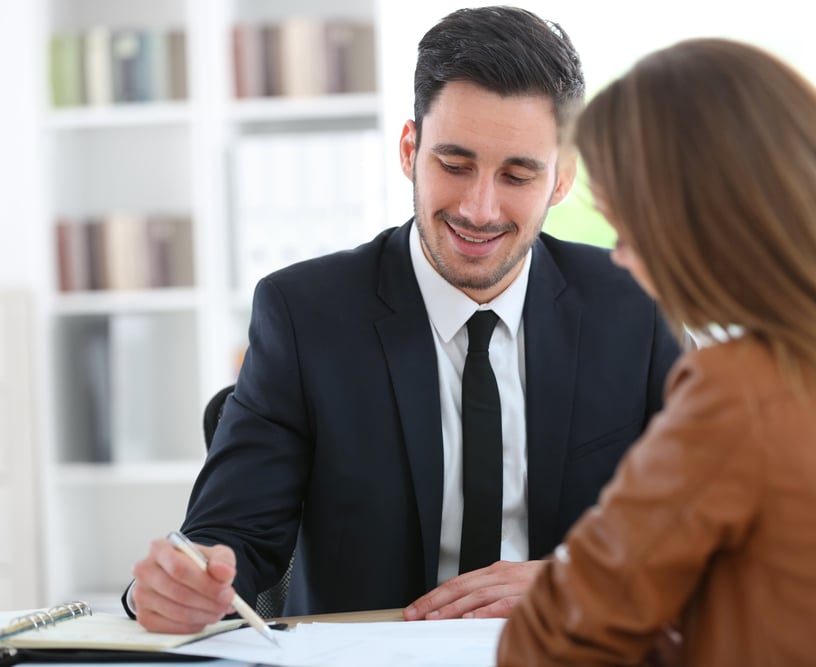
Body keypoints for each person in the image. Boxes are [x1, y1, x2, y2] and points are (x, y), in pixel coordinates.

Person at [125, 6, 680, 634]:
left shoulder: (639, 303)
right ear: (410, 149)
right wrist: (187, 585)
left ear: (562, 178)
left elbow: (706, 523)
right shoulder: (304, 315)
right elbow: (229, 540)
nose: (479, 208)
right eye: (454, 164)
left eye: (518, 174)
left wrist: (583, 581)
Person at [498, 37, 816, 666]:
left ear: (703, 221)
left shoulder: (741, 390)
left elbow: (550, 646)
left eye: (629, 231)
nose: (621, 259)